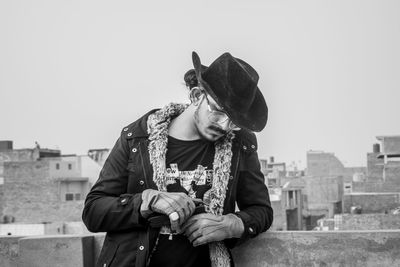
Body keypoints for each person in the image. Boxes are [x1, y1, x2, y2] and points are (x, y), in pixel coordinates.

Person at [82, 51, 273, 267]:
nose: (224, 126)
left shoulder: (240, 144)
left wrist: (233, 225)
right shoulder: (137, 138)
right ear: (196, 96)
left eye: (234, 122)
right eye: (218, 112)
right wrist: (148, 201)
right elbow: (93, 211)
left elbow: (262, 211)